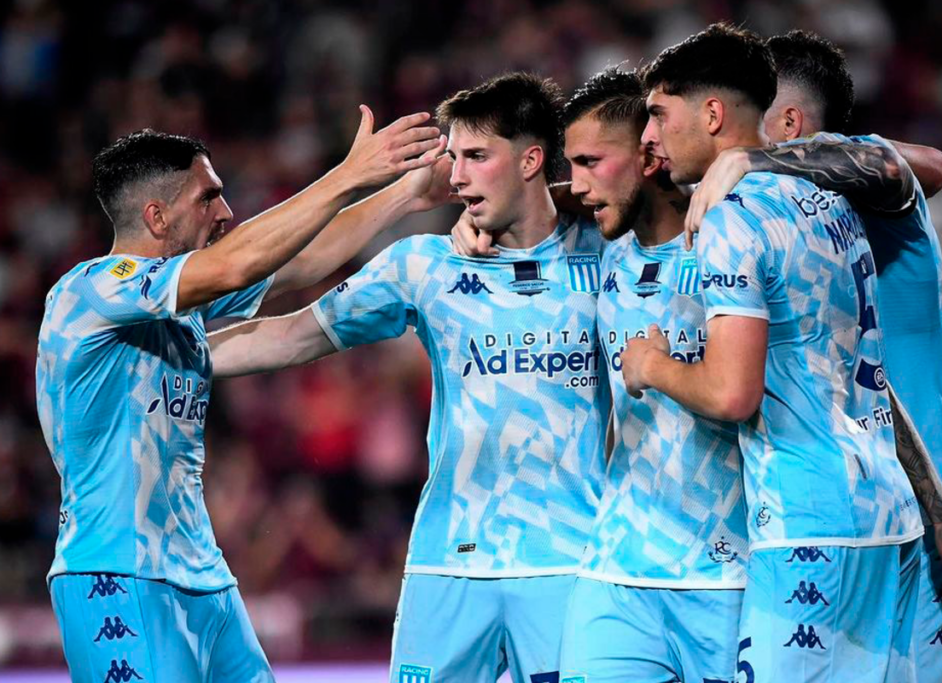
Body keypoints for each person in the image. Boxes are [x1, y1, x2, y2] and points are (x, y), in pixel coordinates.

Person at [207, 73, 609, 683]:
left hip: (572, 559)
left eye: (477, 156)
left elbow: (653, 194)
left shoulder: (609, 255)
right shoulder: (425, 264)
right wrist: (171, 354)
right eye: (454, 157)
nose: (458, 176)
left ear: (531, 160)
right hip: (447, 559)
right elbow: (291, 335)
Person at [36, 107, 446, 683]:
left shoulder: (180, 309)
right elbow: (237, 264)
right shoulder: (92, 289)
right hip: (117, 575)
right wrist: (350, 174)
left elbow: (299, 258)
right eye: (209, 197)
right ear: (156, 216)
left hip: (204, 577)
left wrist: (406, 194)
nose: (226, 213)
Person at [680, 29, 942, 683]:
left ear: (789, 123)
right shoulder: (766, 228)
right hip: (847, 515)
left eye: (747, 115)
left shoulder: (869, 200)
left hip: (938, 506)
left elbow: (931, 165)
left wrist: (757, 159)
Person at [627, 24, 926, 682]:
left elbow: (734, 393)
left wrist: (650, 366)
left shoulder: (731, 215)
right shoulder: (832, 202)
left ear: (711, 114)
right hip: (887, 515)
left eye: (657, 114)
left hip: (805, 519)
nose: (647, 136)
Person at [549, 66, 747, 683]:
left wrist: (751, 161)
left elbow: (926, 169)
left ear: (650, 157)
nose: (576, 185)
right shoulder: (602, 251)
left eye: (589, 163)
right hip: (617, 567)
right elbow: (530, 199)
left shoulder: (734, 237)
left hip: (729, 570)